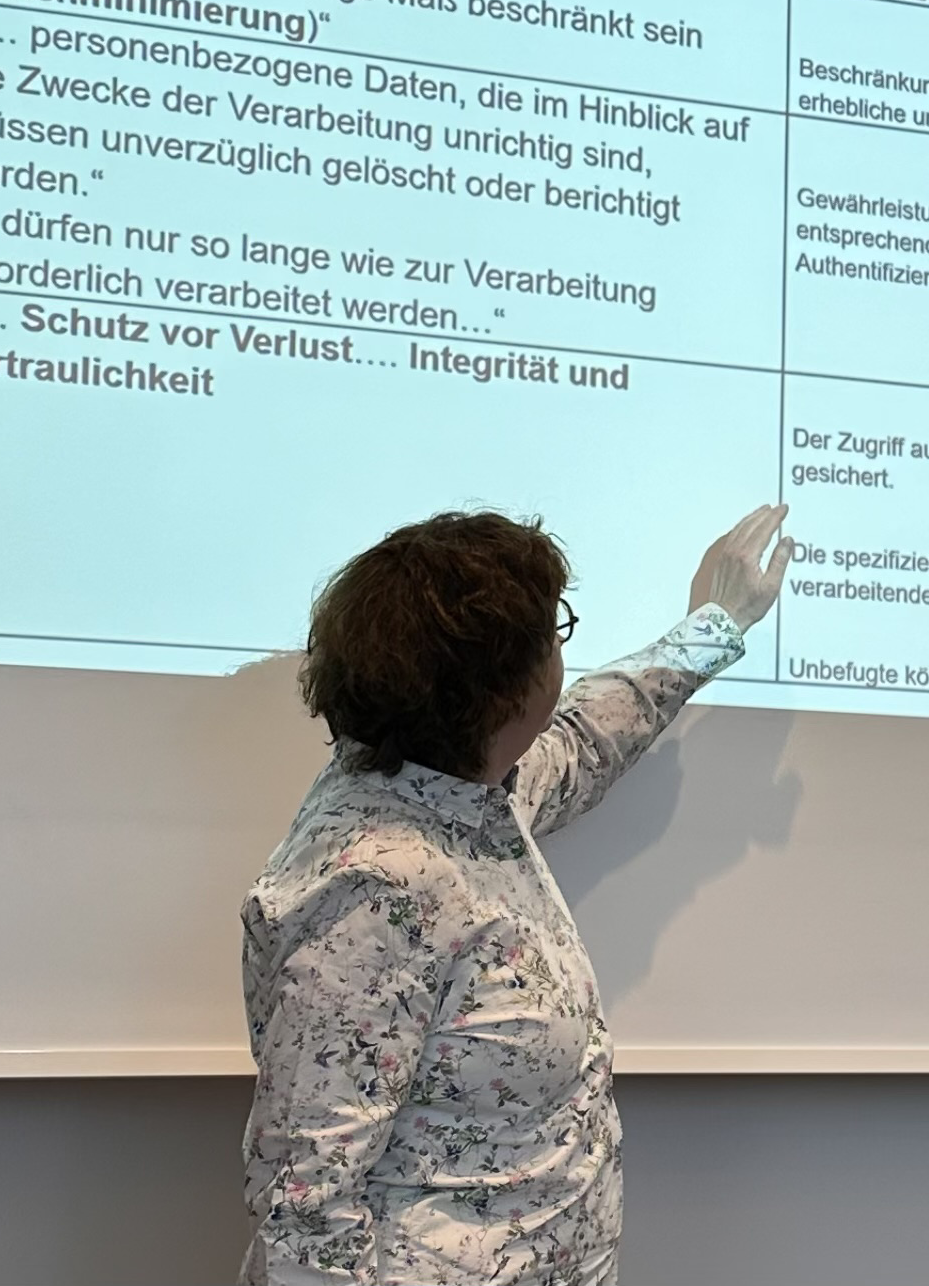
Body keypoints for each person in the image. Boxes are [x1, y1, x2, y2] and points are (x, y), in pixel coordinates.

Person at [238, 503, 793, 1286]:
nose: (562, 655)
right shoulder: (373, 890)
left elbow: (582, 741)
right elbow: (307, 1206)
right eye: (554, 632)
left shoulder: (453, 785)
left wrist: (715, 623)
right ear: (501, 690)